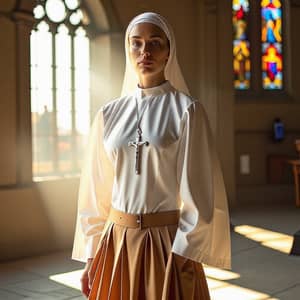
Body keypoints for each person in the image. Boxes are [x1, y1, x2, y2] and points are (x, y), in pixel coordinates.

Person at [72, 12, 231, 300]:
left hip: (166, 244)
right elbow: (96, 193)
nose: (145, 51)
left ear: (169, 51)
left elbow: (200, 195)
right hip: (115, 242)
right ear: (128, 48)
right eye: (137, 43)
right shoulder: (109, 114)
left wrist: (184, 255)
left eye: (155, 43)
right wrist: (92, 257)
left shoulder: (187, 110)